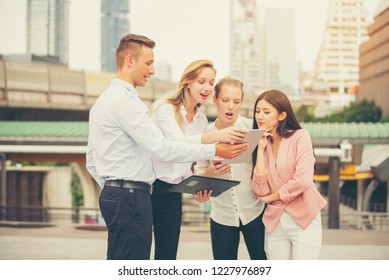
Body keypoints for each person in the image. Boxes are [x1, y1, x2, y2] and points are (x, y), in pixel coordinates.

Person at [86, 33, 248, 260]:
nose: (152, 70)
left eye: (211, 83)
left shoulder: (104, 100)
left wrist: (111, 187)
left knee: (142, 258)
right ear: (130, 61)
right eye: (149, 63)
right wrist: (215, 146)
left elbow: (91, 159)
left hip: (134, 193)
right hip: (136, 192)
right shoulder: (134, 104)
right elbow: (166, 148)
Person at [150, 61, 248, 260]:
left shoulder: (201, 120)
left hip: (172, 192)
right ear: (188, 83)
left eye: (211, 82)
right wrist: (218, 137)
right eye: (201, 81)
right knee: (138, 253)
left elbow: (190, 161)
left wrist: (200, 187)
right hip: (150, 188)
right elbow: (177, 145)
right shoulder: (166, 109)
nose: (207, 87)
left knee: (167, 256)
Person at [194, 77, 267, 260]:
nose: (231, 107)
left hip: (255, 211)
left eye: (236, 102)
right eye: (225, 100)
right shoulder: (206, 134)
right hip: (222, 216)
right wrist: (210, 174)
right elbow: (199, 176)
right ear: (215, 100)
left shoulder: (252, 127)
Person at [251, 89, 327, 260]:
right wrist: (261, 148)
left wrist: (274, 197)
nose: (260, 116)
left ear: (282, 115)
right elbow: (260, 190)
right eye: (257, 111)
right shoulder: (262, 143)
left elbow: (303, 180)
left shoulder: (301, 137)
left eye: (266, 111)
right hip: (275, 221)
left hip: (304, 218)